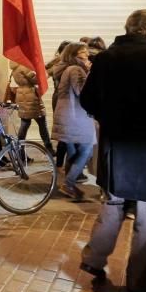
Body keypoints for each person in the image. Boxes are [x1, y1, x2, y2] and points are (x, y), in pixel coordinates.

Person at [79, 9, 146, 292]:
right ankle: (140, 278)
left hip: (117, 143)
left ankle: (93, 259)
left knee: (112, 204)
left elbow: (87, 99)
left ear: (127, 27)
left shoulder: (106, 59)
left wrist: (109, 118)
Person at [51, 43, 95, 199]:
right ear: (74, 55)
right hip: (76, 117)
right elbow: (82, 92)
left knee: (75, 152)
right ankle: (68, 183)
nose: (87, 54)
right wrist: (90, 72)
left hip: (67, 116)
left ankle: (69, 184)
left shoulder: (66, 69)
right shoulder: (76, 69)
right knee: (88, 148)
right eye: (83, 52)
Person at [10, 61, 54, 155]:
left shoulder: (15, 66)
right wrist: (48, 74)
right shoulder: (24, 66)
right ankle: (49, 149)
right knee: (42, 123)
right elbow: (36, 80)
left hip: (21, 95)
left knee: (24, 124)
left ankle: (20, 152)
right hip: (30, 96)